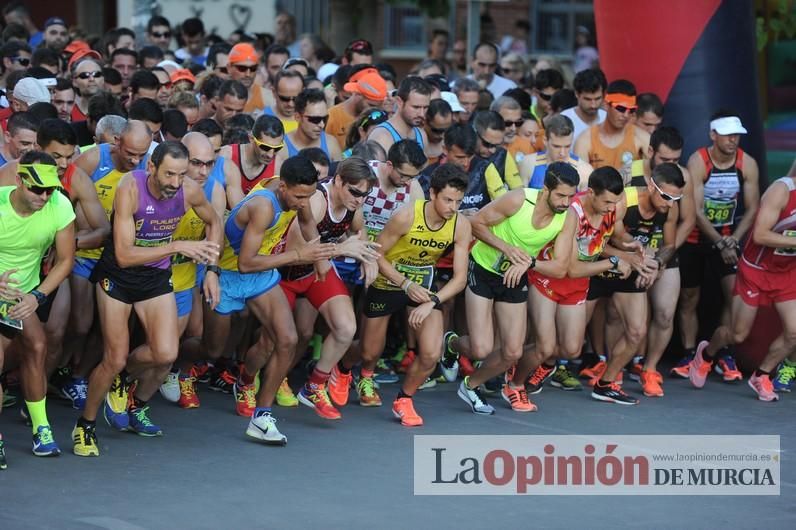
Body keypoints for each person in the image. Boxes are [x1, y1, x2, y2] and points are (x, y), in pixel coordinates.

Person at [72, 138, 223, 457]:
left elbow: (215, 222)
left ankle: (122, 380)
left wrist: (212, 269)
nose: (175, 183)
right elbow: (125, 255)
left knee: (166, 353)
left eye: (182, 175)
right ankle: (85, 425)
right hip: (119, 276)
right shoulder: (131, 187)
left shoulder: (189, 191)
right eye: (169, 174)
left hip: (154, 277)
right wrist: (176, 246)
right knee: (112, 357)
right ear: (151, 167)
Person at [211, 154, 333, 444]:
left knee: (286, 339)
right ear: (283, 187)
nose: (304, 203)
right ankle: (177, 370)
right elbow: (245, 263)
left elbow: (308, 225)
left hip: (261, 274)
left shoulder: (299, 196)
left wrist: (319, 258)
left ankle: (261, 415)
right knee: (210, 349)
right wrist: (299, 255)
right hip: (228, 275)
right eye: (299, 196)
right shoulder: (263, 206)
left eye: (310, 196)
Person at [338, 164, 471, 427]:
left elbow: (460, 278)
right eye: (447, 200)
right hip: (390, 281)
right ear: (432, 194)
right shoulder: (406, 216)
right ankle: (343, 370)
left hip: (422, 287)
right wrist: (404, 283)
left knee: (432, 353)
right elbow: (377, 253)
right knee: (368, 351)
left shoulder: (460, 225)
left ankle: (404, 400)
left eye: (458, 201)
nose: (453, 207)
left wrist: (433, 300)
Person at [445, 162, 579, 414]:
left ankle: (470, 386)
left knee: (512, 351)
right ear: (545, 190)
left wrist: (529, 262)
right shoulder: (518, 200)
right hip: (483, 269)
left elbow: (561, 267)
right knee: (481, 348)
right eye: (561, 195)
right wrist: (507, 249)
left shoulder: (567, 217)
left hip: (514, 275)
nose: (565, 202)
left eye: (571, 196)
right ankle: (451, 344)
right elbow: (475, 223)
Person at [267, 157, 380, 420]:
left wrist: (368, 258)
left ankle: (314, 385)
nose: (360, 199)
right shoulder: (318, 200)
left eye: (365, 194)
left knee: (345, 328)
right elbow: (297, 250)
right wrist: (340, 249)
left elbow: (359, 233)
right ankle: (248, 380)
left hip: (316, 271)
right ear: (338, 180)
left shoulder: (354, 204)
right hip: (285, 272)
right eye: (355, 192)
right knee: (276, 339)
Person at [522, 166, 633, 398]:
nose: (611, 208)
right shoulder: (573, 212)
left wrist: (633, 249)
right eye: (607, 202)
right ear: (590, 192)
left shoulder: (613, 208)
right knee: (545, 345)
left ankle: (545, 366)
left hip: (579, 282)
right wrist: (613, 262)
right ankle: (512, 372)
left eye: (616, 202)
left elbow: (609, 239)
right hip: (550, 277)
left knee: (572, 349)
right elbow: (571, 269)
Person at [689, 172, 796, 402]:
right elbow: (759, 235)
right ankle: (707, 354)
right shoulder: (781, 191)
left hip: (786, 272)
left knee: (794, 331)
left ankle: (762, 374)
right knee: (737, 334)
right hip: (756, 270)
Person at [585, 163, 685, 404]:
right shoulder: (623, 201)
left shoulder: (670, 208)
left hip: (631, 264)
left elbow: (669, 246)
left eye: (675, 198)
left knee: (637, 331)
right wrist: (638, 254)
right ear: (651, 186)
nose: (669, 203)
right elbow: (606, 239)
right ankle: (532, 369)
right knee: (568, 342)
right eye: (665, 196)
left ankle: (608, 381)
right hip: (599, 260)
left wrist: (656, 264)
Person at [0, 151, 76, 458]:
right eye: (37, 189)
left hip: (24, 294)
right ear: (19, 181)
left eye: (50, 189)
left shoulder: (60, 206)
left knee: (37, 346)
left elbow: (66, 260)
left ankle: (41, 427)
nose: (44, 196)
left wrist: (37, 296)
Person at [677, 112, 759, 381]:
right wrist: (721, 241)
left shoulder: (747, 163)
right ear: (713, 135)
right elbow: (696, 211)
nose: (733, 140)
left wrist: (733, 239)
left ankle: (724, 352)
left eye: (737, 135)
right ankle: (690, 352)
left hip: (728, 238)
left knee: (732, 295)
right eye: (727, 135)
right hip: (696, 239)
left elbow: (753, 207)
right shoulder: (698, 161)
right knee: (690, 297)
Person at [574, 79, 650, 182]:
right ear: (606, 105)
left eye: (631, 110)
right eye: (621, 109)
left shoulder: (642, 138)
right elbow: (582, 184)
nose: (626, 115)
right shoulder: (585, 140)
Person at [219, 114, 283, 203]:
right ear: (251, 138)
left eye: (277, 148)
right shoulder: (226, 155)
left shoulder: (278, 166)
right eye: (265, 147)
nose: (270, 155)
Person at [274, 89, 341, 172]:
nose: (322, 125)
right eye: (315, 119)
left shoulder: (331, 143)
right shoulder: (282, 147)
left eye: (325, 119)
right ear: (297, 117)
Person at [520, 115, 593, 189]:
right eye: (556, 146)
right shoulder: (528, 163)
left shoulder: (584, 170)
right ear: (545, 141)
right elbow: (519, 198)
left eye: (567, 146)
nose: (562, 153)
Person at [368, 76, 432, 154]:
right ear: (399, 102)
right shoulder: (382, 137)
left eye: (425, 107)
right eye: (416, 107)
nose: (422, 114)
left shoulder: (422, 136)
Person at [326, 70, 387, 148]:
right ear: (357, 94)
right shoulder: (331, 117)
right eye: (371, 105)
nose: (374, 111)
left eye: (379, 107)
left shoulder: (380, 118)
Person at [561, 68, 607, 143]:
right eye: (587, 99)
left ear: (604, 94)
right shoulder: (563, 121)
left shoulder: (608, 119)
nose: (593, 105)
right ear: (577, 94)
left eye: (597, 98)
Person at [263, 69, 304, 134]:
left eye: (296, 98)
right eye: (284, 98)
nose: (291, 104)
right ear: (274, 92)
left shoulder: (312, 119)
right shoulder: (261, 119)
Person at [423, 98, 454, 165]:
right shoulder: (414, 139)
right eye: (437, 131)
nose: (442, 135)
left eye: (446, 130)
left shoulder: (453, 142)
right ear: (424, 121)